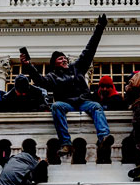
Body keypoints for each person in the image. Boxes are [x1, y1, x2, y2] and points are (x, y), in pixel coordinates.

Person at [22, 14, 110, 157]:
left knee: (96, 106)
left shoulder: (78, 67)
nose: (64, 59)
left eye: (64, 57)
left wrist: (99, 28)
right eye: (60, 58)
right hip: (67, 104)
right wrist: (28, 66)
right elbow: (39, 81)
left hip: (83, 102)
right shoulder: (53, 76)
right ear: (54, 63)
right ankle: (65, 143)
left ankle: (104, 137)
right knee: (56, 106)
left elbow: (90, 49)